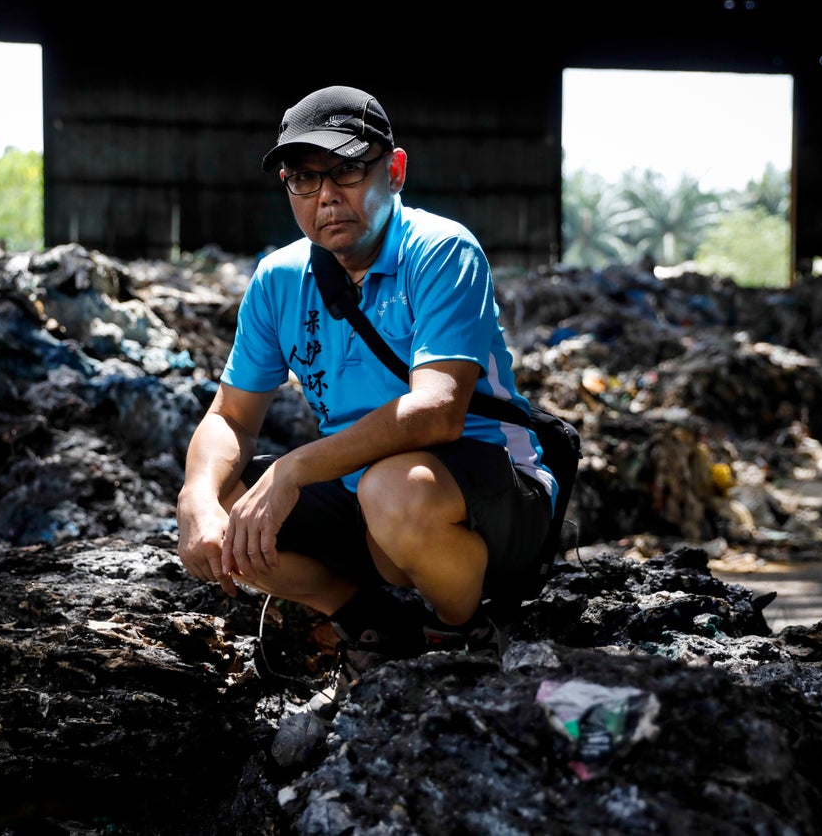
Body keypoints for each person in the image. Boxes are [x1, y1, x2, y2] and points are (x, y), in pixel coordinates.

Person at [176, 85, 557, 694]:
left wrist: (295, 469)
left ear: (395, 170)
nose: (327, 194)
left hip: (494, 497)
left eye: (348, 169)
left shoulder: (441, 251)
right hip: (372, 500)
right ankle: (369, 623)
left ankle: (461, 633)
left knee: (391, 489)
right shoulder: (278, 279)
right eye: (304, 177)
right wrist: (197, 495)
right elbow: (232, 417)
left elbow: (438, 411)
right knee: (232, 506)